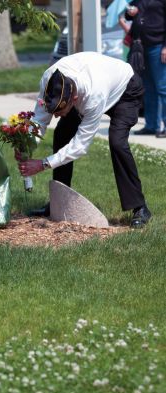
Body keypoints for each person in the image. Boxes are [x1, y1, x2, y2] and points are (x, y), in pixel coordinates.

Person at [17, 52, 151, 228]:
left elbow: (80, 145)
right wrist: (26, 144)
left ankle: (140, 208)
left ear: (74, 99)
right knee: (62, 133)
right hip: (97, 83)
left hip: (126, 89)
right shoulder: (50, 80)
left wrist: (43, 164)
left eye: (59, 112)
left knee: (117, 142)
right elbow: (40, 120)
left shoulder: (93, 96)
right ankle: (59, 202)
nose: (55, 116)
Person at [125, 0, 166, 138]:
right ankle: (151, 126)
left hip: (158, 46)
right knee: (148, 88)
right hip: (141, 47)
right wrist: (130, 12)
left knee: (162, 88)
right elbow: (128, 15)